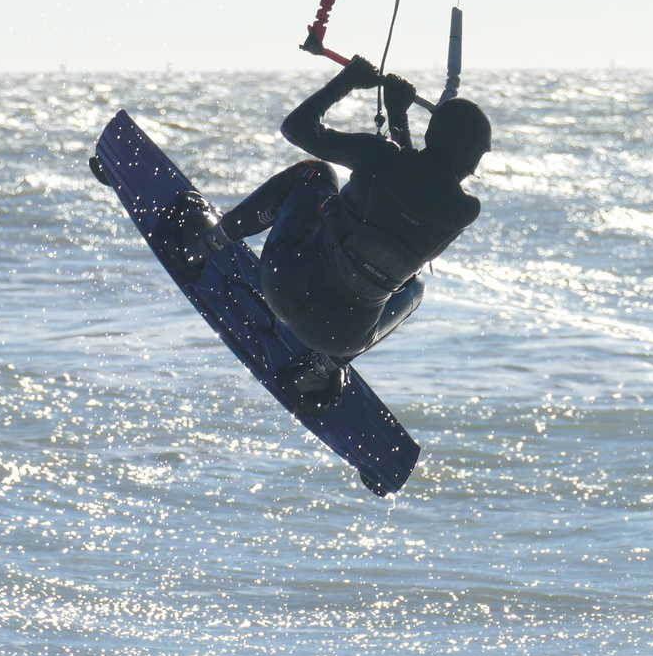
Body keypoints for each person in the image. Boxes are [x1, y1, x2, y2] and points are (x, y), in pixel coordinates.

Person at [174, 56, 491, 413]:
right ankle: (322, 369)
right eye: (478, 155)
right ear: (468, 157)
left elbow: (297, 127)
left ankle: (205, 246)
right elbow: (418, 185)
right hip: (340, 338)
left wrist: (348, 82)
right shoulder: (463, 212)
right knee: (413, 288)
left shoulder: (382, 157)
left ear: (436, 138)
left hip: (284, 288)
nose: (477, 166)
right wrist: (398, 117)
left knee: (316, 173)